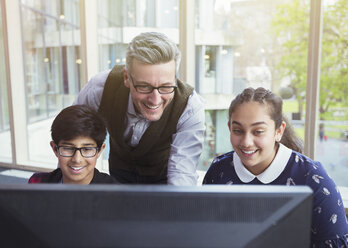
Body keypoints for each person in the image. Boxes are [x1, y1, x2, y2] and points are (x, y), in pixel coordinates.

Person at [203, 87, 348, 247]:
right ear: (230, 128)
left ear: (278, 131)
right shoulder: (218, 171)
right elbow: (206, 236)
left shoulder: (312, 177)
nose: (246, 142)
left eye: (258, 131)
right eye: (238, 130)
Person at [74, 32, 205, 185]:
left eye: (165, 86)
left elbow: (182, 175)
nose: (155, 100)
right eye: (144, 87)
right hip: (116, 182)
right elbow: (72, 141)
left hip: (165, 188)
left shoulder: (190, 108)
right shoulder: (100, 89)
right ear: (126, 78)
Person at [28, 105, 117, 184]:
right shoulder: (37, 183)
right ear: (55, 149)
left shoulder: (116, 194)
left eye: (87, 149)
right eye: (68, 148)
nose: (77, 159)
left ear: (100, 150)